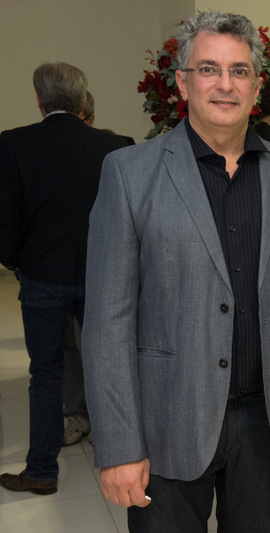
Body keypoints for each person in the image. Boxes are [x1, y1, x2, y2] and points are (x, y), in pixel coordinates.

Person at [81, 11, 270, 532]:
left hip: (268, 423)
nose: (225, 84)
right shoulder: (129, 174)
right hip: (167, 420)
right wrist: (119, 446)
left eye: (239, 71)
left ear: (257, 86)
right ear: (183, 82)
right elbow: (106, 323)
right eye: (209, 69)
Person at [0, 62, 129, 495]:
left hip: (41, 277)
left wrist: (20, 261)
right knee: (108, 367)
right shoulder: (115, 147)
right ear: (81, 101)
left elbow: (5, 219)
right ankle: (122, 460)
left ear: (39, 101)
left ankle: (40, 471)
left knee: (46, 374)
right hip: (102, 275)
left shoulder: (13, 144)